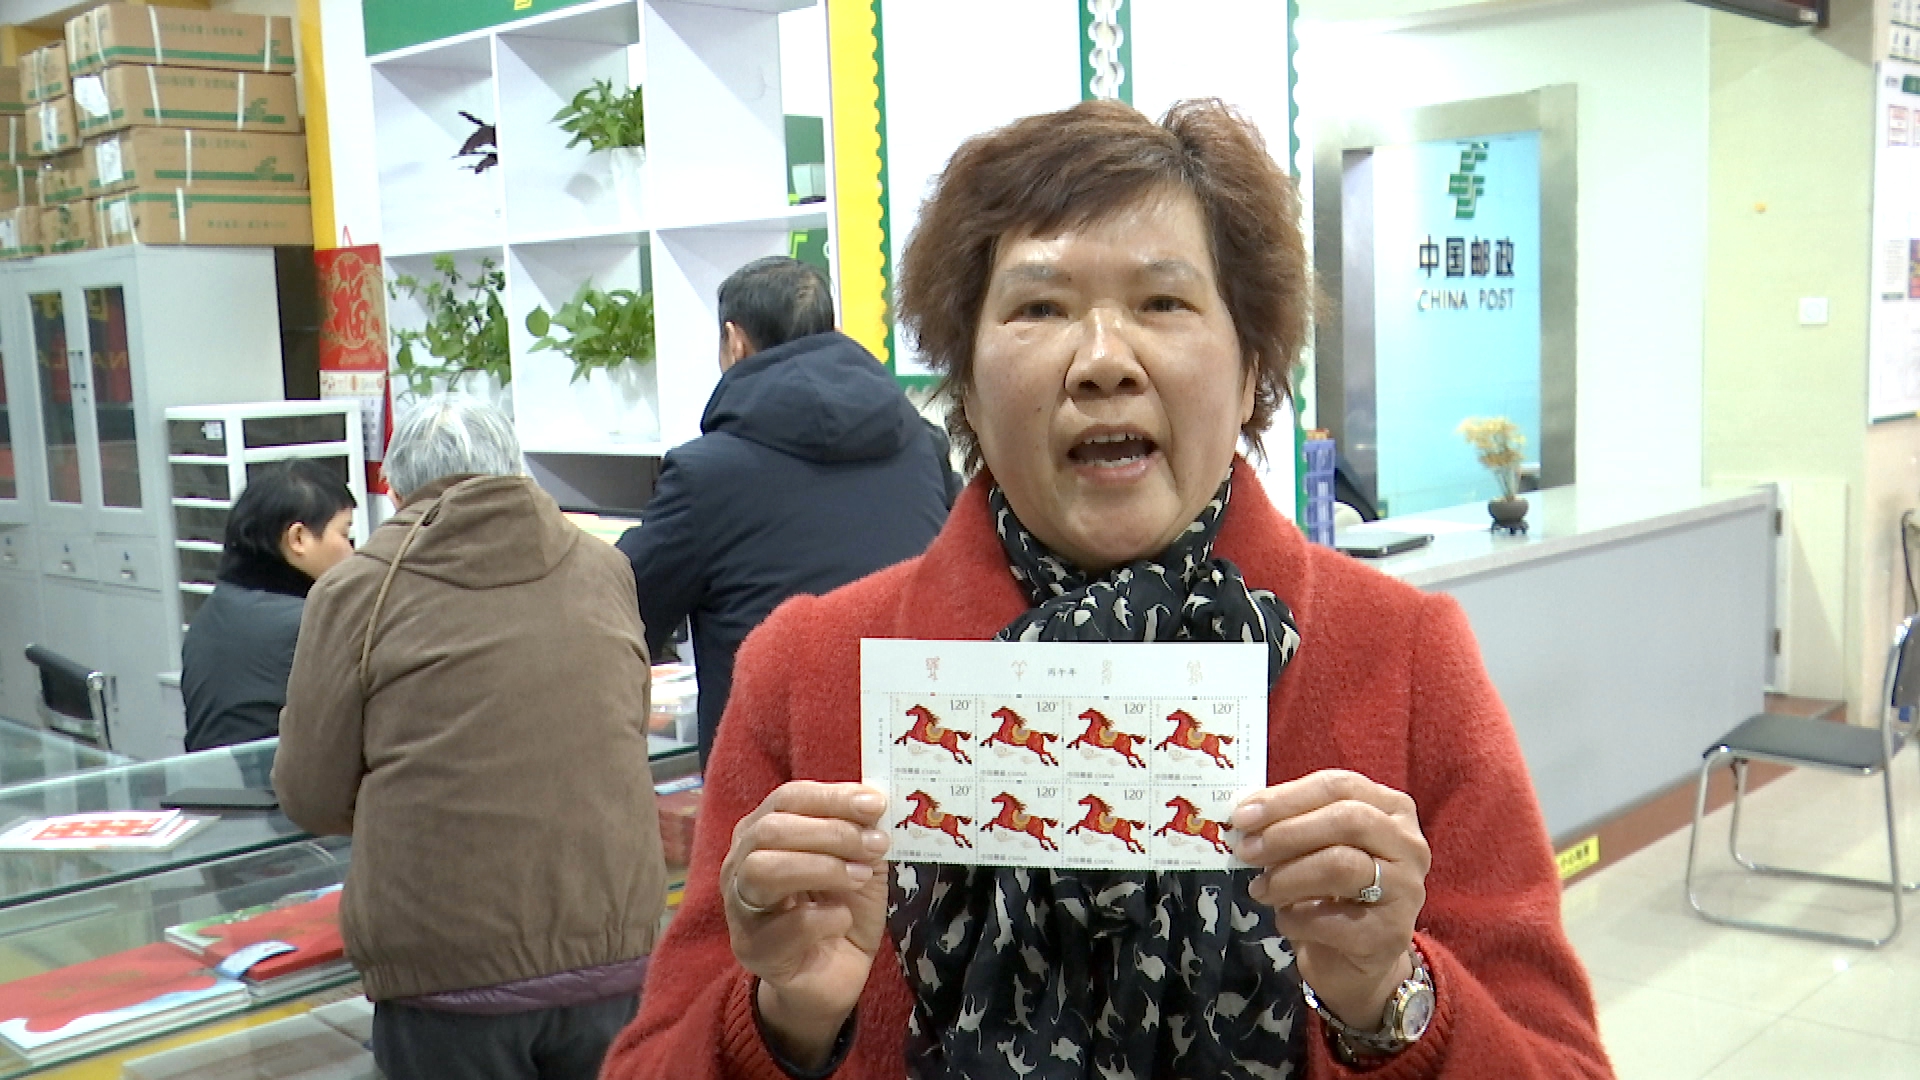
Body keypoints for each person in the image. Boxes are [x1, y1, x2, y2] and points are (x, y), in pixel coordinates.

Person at [601, 100, 1612, 1079]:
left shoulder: (1405, 654)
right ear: (965, 383)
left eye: (1163, 302)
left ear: (1252, 370)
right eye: (1039, 308)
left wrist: (1394, 998)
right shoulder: (809, 667)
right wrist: (782, 1020)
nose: (1101, 362)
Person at [274, 395, 666, 1080]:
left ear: (397, 492)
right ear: (515, 471)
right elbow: (628, 722)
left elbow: (311, 793)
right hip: (615, 952)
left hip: (443, 968)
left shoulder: (355, 591)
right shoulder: (604, 566)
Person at [617, 255, 959, 766]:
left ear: (735, 342)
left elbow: (621, 615)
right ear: (831, 331)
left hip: (772, 776)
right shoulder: (923, 445)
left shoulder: (704, 475)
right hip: (919, 755)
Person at [180, 458, 356, 752]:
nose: (353, 551)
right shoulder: (311, 626)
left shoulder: (209, 616)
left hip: (216, 779)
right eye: (345, 534)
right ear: (298, 538)